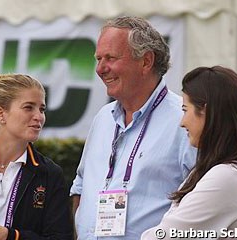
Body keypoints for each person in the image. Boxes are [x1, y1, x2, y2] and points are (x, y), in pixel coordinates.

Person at [70, 16, 196, 239]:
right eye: (98, 59)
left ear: (146, 61)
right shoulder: (103, 118)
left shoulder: (185, 119)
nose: (100, 69)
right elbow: (80, 186)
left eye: (110, 58)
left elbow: (216, 198)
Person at [141, 66, 237, 240]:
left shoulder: (227, 177)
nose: (182, 123)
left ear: (205, 110)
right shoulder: (221, 171)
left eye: (185, 110)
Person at [0, 74, 73, 240]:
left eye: (42, 109)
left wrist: (9, 236)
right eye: (28, 107)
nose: (38, 116)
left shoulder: (49, 174)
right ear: (0, 114)